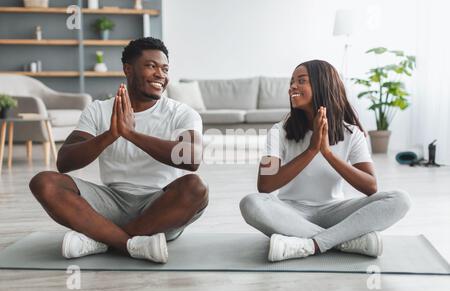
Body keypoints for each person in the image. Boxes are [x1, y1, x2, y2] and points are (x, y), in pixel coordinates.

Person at [29, 37, 208, 264]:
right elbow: (64, 162)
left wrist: (131, 134)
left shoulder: (182, 113)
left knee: (196, 187)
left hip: (160, 208)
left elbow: (191, 159)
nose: (160, 75)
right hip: (110, 202)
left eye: (165, 68)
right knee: (44, 182)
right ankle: (129, 244)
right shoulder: (99, 110)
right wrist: (111, 135)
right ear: (127, 69)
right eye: (151, 66)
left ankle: (101, 239)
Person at [240, 60, 411, 262]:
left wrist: (328, 153)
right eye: (292, 81)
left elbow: (370, 187)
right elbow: (265, 186)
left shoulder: (352, 133)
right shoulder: (279, 131)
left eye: (301, 81)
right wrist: (312, 150)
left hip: (336, 212)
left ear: (322, 85)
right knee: (251, 203)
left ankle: (309, 244)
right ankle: (344, 240)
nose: (292, 86)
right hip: (291, 213)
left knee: (400, 199)